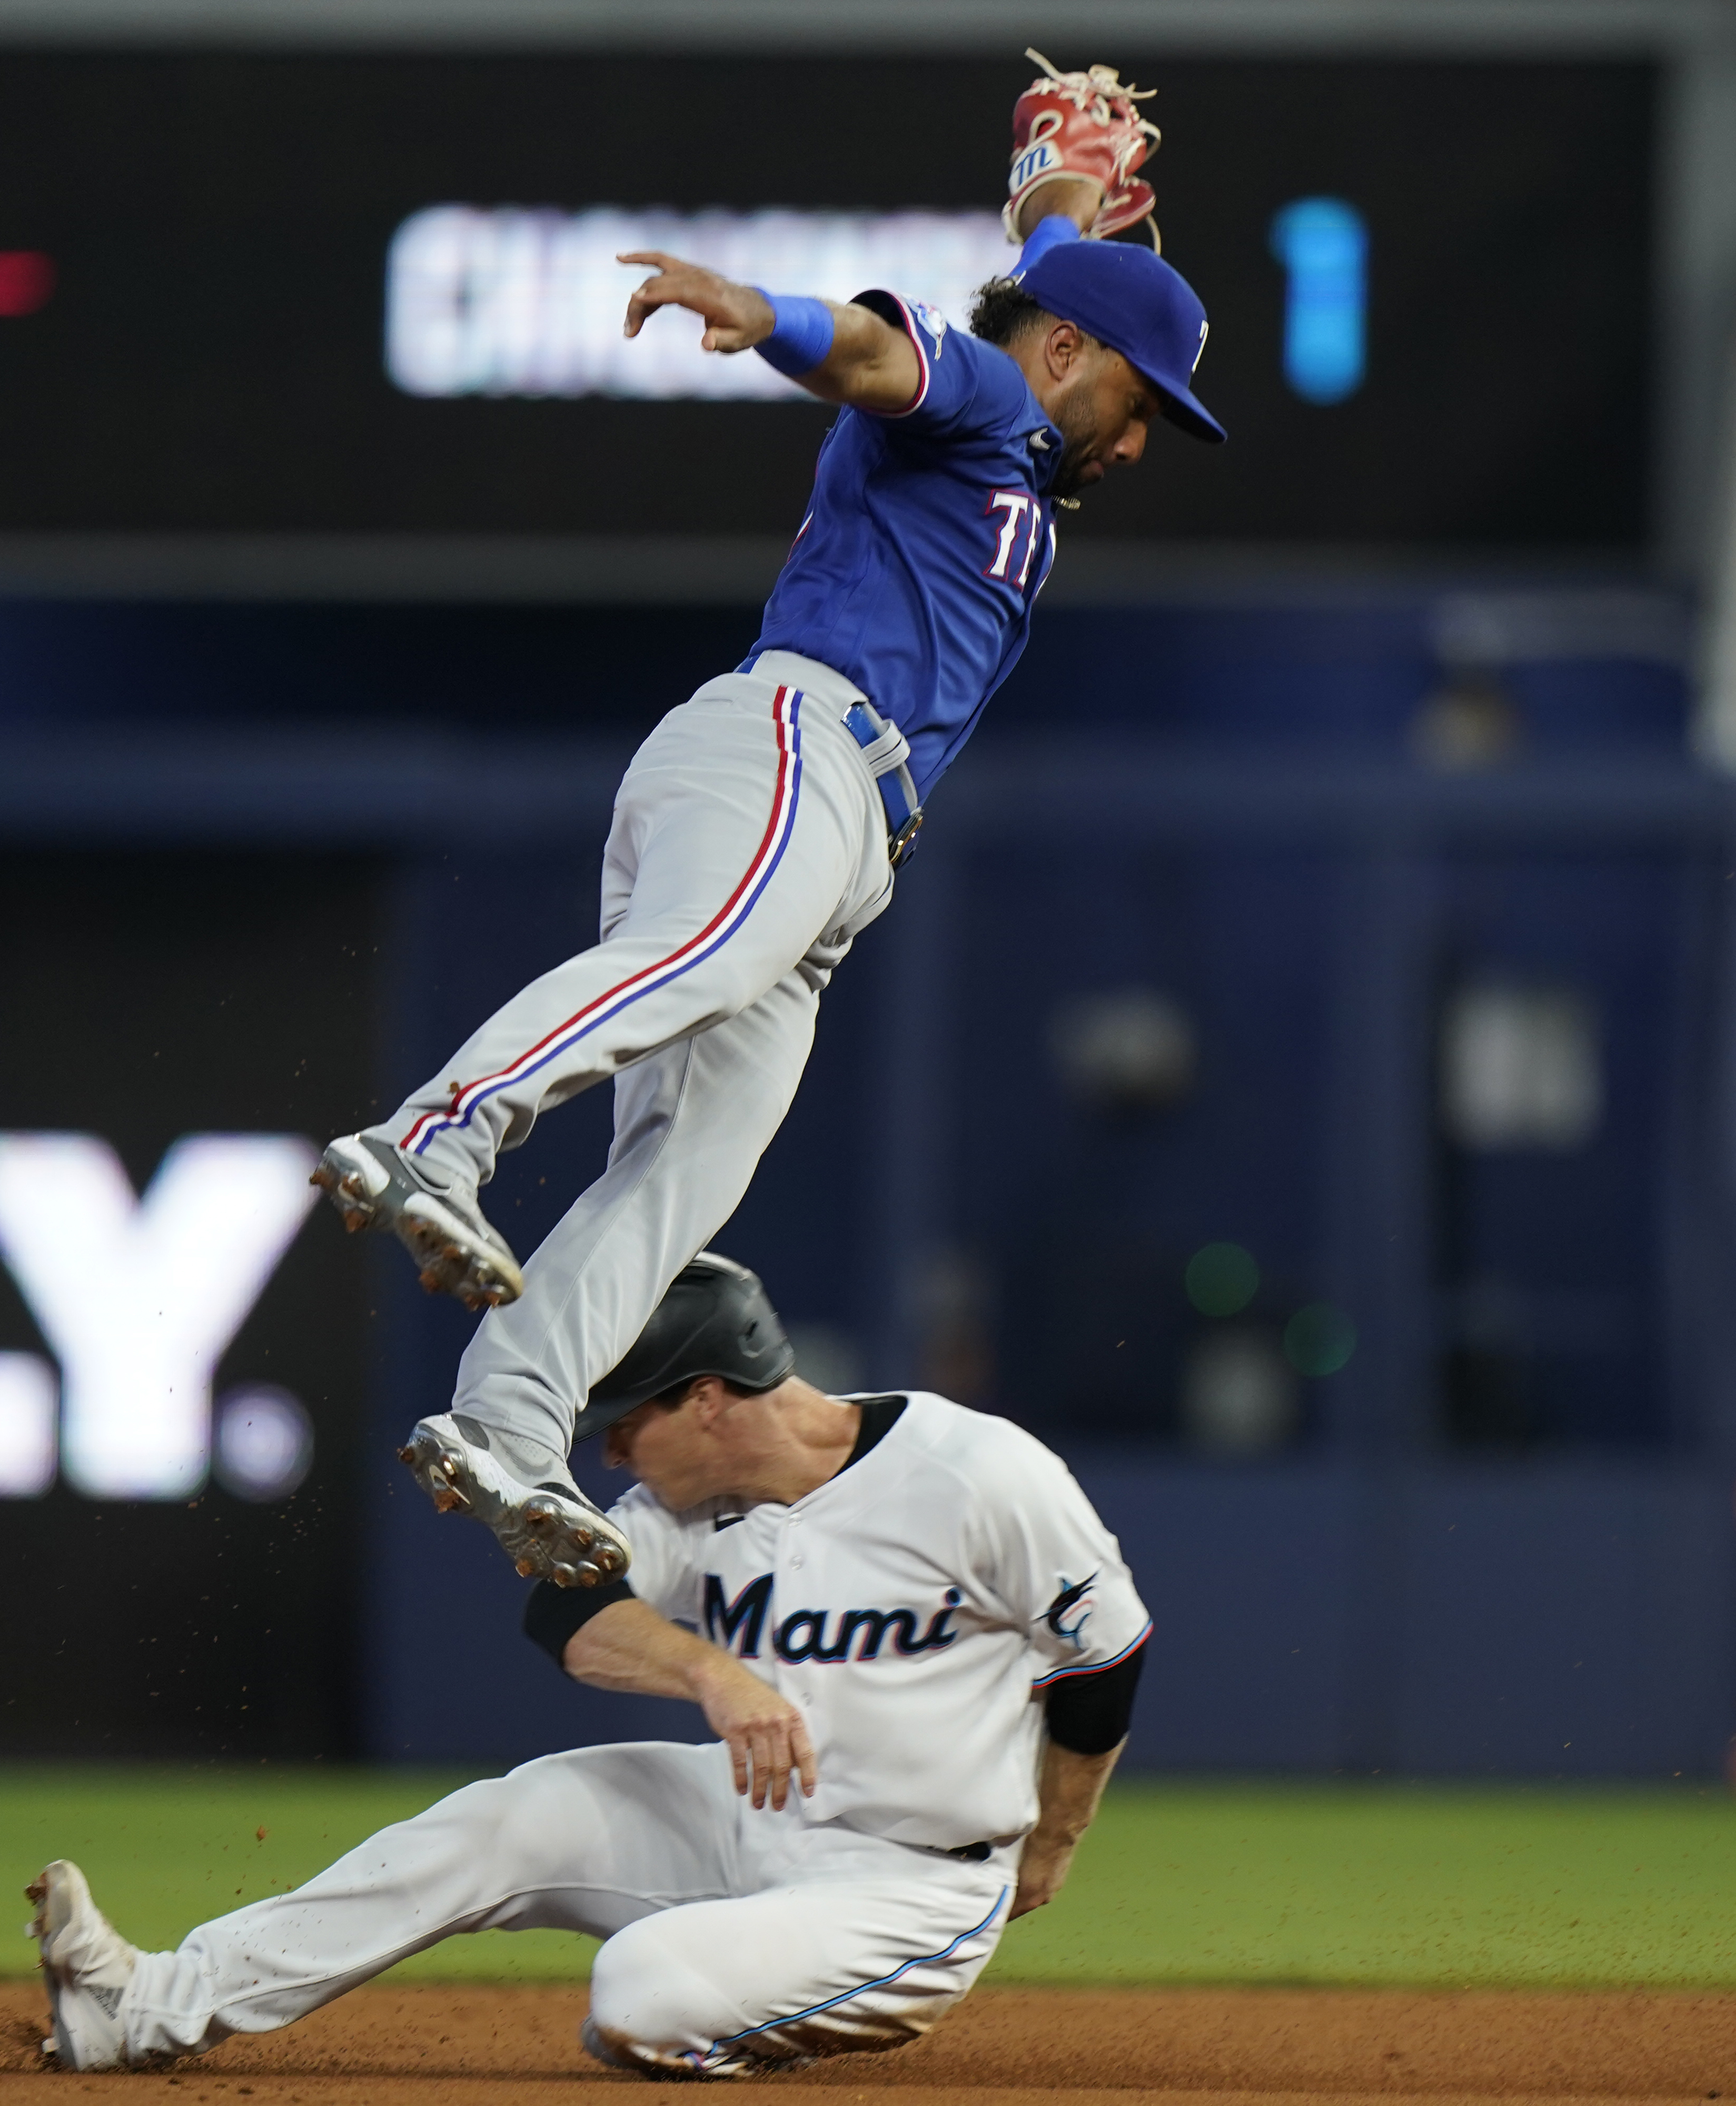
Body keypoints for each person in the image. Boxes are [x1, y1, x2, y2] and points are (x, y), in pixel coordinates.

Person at [309, 57, 1220, 1589]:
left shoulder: (1025, 399)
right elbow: (879, 352)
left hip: (837, 841)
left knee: (685, 1173)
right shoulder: (995, 401)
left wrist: (1059, 180)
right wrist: (764, 315)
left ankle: (510, 1420)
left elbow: (1027, 290)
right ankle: (437, 1130)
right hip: (795, 747)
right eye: (1142, 399)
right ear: (1072, 351)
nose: (1141, 440)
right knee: (690, 955)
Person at [25, 1255, 1153, 2080]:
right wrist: (713, 1672)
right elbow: (564, 1612)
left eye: (627, 1420)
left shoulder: (977, 1472)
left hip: (908, 1882)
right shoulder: (690, 1500)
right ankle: (149, 2004)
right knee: (513, 1815)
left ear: (709, 1395)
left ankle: (745, 2011)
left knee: (642, 1998)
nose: (610, 1449)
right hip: (745, 1819)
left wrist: (1051, 1840)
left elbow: (1103, 1650)